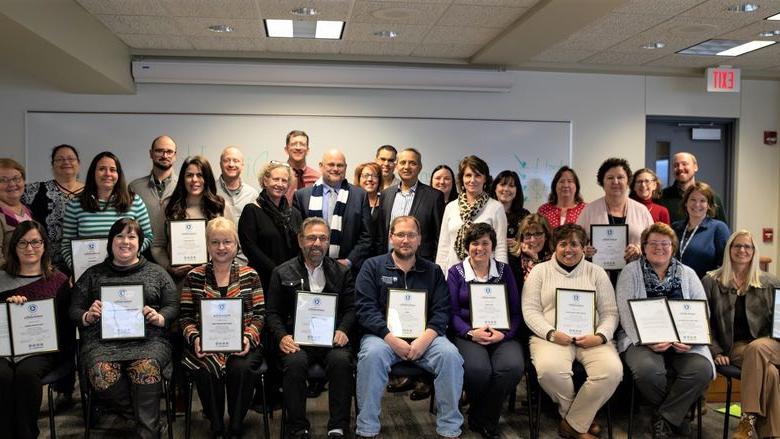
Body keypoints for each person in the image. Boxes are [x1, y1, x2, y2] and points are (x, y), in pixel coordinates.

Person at [355, 215, 464, 439]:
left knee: (450, 355)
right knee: (371, 356)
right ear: (391, 237)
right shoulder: (372, 267)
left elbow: (442, 309)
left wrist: (425, 339)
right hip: (383, 338)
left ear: (419, 239)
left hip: (425, 337)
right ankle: (367, 428)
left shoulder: (432, 271)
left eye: (411, 235)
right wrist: (391, 339)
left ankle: (450, 428)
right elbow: (365, 309)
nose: (406, 240)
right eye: (401, 234)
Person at [70, 218, 179, 439]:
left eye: (131, 236)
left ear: (140, 243)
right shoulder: (93, 274)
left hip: (148, 341)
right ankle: (145, 423)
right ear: (111, 242)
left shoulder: (156, 272)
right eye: (119, 236)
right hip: (101, 343)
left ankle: (146, 431)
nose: (125, 241)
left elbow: (172, 304)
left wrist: (160, 317)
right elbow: (74, 309)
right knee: (101, 372)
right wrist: (87, 316)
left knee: (146, 367)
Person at [521, 223, 622, 439]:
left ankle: (572, 424)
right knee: (549, 370)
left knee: (612, 371)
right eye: (563, 244)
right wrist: (550, 333)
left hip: (592, 337)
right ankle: (579, 421)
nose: (569, 249)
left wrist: (601, 336)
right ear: (554, 247)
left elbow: (611, 312)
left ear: (584, 248)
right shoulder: (539, 271)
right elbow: (529, 310)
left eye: (575, 244)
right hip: (551, 337)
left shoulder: (597, 273)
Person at [615, 222, 714, 439]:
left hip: (684, 342)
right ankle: (679, 414)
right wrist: (646, 340)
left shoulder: (688, 274)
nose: (659, 247)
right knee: (648, 372)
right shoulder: (630, 272)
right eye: (653, 243)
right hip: (641, 341)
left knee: (702, 369)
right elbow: (625, 313)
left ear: (673, 247)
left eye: (665, 243)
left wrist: (690, 340)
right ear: (644, 246)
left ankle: (665, 417)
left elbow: (702, 311)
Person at [266, 217, 355, 439]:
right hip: (297, 340)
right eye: (311, 237)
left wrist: (343, 329)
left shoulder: (342, 272)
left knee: (342, 361)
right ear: (300, 240)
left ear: (328, 242)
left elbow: (352, 308)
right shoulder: (281, 272)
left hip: (331, 339)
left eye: (323, 238)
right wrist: (282, 337)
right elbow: (272, 313)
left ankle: (338, 425)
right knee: (294, 363)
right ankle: (297, 427)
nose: (317, 243)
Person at [180, 217, 265, 438]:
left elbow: (260, 314)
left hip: (243, 343)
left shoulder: (251, 275)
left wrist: (248, 337)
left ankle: (236, 424)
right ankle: (216, 425)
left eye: (227, 241)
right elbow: (185, 317)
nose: (221, 247)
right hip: (205, 344)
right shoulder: (194, 277)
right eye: (215, 242)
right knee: (205, 368)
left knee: (241, 368)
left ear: (236, 244)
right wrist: (195, 338)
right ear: (207, 245)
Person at [448, 223, 523, 439]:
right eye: (474, 243)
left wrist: (505, 334)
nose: (479, 248)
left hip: (502, 334)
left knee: (511, 367)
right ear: (467, 246)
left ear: (492, 246)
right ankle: (486, 417)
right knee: (478, 371)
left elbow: (516, 313)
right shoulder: (456, 272)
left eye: (485, 243)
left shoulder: (504, 271)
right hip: (469, 334)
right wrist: (470, 332)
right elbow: (451, 313)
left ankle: (483, 415)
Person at [703, 230, 780, 439]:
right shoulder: (712, 281)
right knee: (770, 372)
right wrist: (716, 350)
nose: (742, 250)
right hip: (736, 347)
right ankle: (771, 434)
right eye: (737, 246)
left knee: (757, 348)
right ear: (729, 249)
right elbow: (703, 322)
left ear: (754, 252)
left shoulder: (770, 282)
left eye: (748, 246)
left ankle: (747, 420)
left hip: (772, 343)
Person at [0, 221, 74, 439]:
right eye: (22, 243)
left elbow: (65, 326)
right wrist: (8, 306)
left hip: (43, 350)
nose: (29, 248)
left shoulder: (58, 280)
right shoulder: (1, 279)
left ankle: (26, 434)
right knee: (2, 376)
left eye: (35, 242)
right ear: (14, 247)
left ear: (44, 245)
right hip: (4, 349)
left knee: (26, 374)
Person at [61, 152, 153, 272]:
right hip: (89, 273)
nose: (107, 174)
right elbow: (66, 245)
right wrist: (77, 270)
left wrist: (127, 255)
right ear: (93, 173)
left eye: (113, 169)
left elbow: (148, 237)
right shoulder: (76, 204)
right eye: (102, 169)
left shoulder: (134, 201)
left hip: (127, 270)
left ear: (118, 174)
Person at [293, 149, 372, 271]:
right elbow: (297, 233)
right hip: (309, 267)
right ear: (321, 166)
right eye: (331, 164)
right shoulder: (302, 196)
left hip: (347, 270)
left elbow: (366, 236)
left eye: (340, 165)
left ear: (345, 168)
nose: (335, 169)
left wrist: (349, 261)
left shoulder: (360, 196)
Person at [152, 155, 230, 279]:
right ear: (182, 178)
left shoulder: (220, 206)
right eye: (189, 175)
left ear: (207, 178)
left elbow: (232, 244)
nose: (194, 180)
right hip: (178, 281)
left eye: (200, 175)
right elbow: (157, 245)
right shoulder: (168, 206)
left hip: (213, 279)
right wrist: (168, 266)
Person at [577, 158, 653, 283]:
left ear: (628, 181)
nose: (615, 182)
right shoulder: (589, 210)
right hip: (597, 277)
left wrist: (639, 248)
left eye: (620, 177)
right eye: (610, 178)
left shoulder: (641, 210)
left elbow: (652, 242)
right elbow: (577, 241)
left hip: (634, 276)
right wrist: (585, 250)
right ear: (602, 181)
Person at [437, 155, 507, 277]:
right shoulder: (451, 207)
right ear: (462, 178)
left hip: (485, 274)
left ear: (485, 179)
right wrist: (439, 276)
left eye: (478, 175)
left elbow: (500, 247)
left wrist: (501, 276)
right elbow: (444, 246)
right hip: (453, 274)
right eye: (468, 175)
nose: (472, 180)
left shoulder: (496, 208)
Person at [239, 161, 303, 291]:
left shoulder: (294, 213)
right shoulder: (251, 210)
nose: (280, 184)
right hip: (261, 281)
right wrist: (277, 271)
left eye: (284, 180)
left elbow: (301, 246)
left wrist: (289, 272)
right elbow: (250, 248)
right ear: (265, 181)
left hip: (291, 280)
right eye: (276, 179)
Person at [23, 144, 85, 272]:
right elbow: (9, 195)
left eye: (70, 158)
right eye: (60, 159)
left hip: (85, 261)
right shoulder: (34, 191)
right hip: (44, 266)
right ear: (52, 165)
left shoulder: (93, 193)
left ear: (78, 163)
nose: (66, 162)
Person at [378, 148, 444, 262]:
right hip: (387, 262)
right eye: (403, 162)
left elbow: (440, 237)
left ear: (420, 167)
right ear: (397, 165)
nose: (407, 167)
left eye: (412, 163)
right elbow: (380, 233)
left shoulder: (434, 197)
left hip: (420, 265)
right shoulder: (385, 194)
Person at [128, 136, 178, 263]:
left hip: (176, 256)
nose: (164, 155)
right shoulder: (135, 187)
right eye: (159, 151)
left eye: (169, 152)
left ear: (175, 155)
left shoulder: (184, 186)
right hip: (142, 256)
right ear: (151, 154)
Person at [671, 182, 730, 279]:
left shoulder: (718, 228)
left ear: (709, 205)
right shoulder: (675, 227)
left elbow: (725, 264)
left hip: (704, 288)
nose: (697, 204)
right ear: (686, 203)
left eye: (702, 201)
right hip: (676, 286)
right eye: (693, 200)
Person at [658, 152, 727, 223]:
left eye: (684, 164)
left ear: (695, 167)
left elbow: (723, 229)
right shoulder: (661, 197)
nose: (680, 168)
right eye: (676, 165)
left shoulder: (711, 197)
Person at [0, 159, 34, 269]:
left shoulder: (27, 210)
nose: (12, 184)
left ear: (23, 181)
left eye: (16, 178)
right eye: (3, 180)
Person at [216, 146, 259, 227]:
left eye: (236, 161)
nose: (231, 164)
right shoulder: (210, 191)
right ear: (220, 164)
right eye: (226, 160)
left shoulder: (253, 195)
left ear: (242, 165)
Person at [509, 213, 553, 290]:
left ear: (546, 235)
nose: (532, 239)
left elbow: (546, 287)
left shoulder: (554, 258)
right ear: (522, 238)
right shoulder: (513, 259)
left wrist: (534, 257)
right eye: (528, 235)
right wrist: (534, 258)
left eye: (538, 234)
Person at [490, 170, 530, 250]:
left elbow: (532, 242)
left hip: (517, 260)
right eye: (502, 184)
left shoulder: (525, 215)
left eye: (511, 186)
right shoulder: (486, 212)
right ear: (495, 188)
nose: (506, 189)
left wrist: (518, 245)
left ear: (517, 190)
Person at [284, 130, 320, 203]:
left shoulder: (317, 179)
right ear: (286, 149)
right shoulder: (278, 176)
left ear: (307, 150)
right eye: (294, 144)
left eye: (302, 144)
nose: (298, 148)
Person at [353, 162, 382, 231]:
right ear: (359, 179)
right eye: (366, 175)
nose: (370, 179)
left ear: (379, 180)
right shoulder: (351, 201)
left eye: (374, 176)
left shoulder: (385, 201)